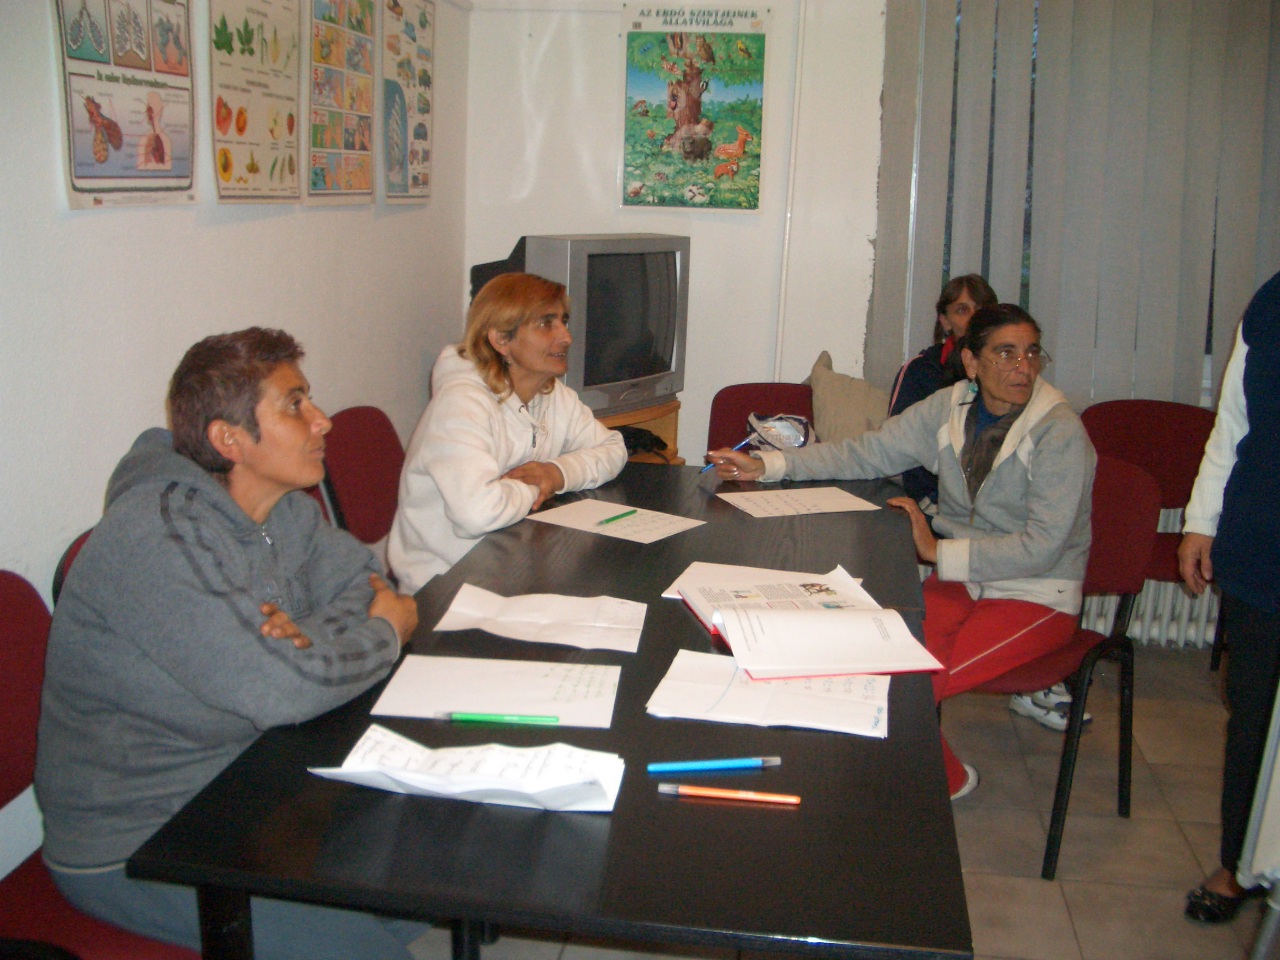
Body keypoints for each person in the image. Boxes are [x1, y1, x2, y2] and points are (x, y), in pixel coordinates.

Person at [34, 328, 425, 959]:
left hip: (247, 779)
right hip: (139, 839)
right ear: (229, 439)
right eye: (295, 404)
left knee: (419, 860)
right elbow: (286, 689)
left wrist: (302, 639)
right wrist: (383, 632)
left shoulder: (283, 508)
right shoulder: (156, 538)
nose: (322, 420)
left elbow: (364, 579)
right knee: (368, 949)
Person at [707, 304, 1095, 799]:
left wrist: (936, 552)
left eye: (1031, 353)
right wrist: (770, 465)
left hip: (1037, 594)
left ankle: (918, 787)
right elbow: (867, 452)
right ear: (972, 362)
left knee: (909, 687)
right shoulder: (950, 407)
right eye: (1006, 353)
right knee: (881, 665)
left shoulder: (1059, 431)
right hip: (963, 582)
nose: (1024, 367)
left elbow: (1043, 548)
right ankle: (936, 778)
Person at [389, 273, 628, 593]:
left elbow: (613, 448)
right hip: (446, 589)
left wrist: (556, 473)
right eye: (546, 323)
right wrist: (534, 487)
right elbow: (477, 513)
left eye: (563, 321)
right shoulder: (461, 404)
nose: (566, 337)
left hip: (514, 570)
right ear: (501, 339)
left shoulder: (552, 394)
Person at [1180, 269, 1280, 924]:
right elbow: (1233, 425)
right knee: (1253, 717)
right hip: (1262, 546)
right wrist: (1200, 520)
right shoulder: (1271, 304)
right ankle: (1239, 863)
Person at [887, 273, 998, 507]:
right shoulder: (920, 371)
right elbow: (897, 444)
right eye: (962, 310)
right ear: (945, 321)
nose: (974, 318)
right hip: (932, 501)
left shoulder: (1009, 373)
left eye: (981, 309)